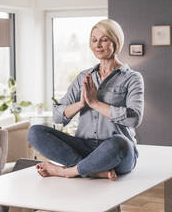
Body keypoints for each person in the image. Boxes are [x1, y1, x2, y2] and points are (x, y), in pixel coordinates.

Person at [27, 19, 144, 181]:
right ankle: (92, 170)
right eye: (94, 40)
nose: (98, 45)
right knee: (35, 132)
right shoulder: (84, 76)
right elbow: (57, 115)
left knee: (121, 143)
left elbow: (134, 118)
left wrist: (95, 103)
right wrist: (81, 104)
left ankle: (66, 171)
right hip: (84, 146)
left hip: (116, 152)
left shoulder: (132, 78)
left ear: (115, 42)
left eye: (104, 40)